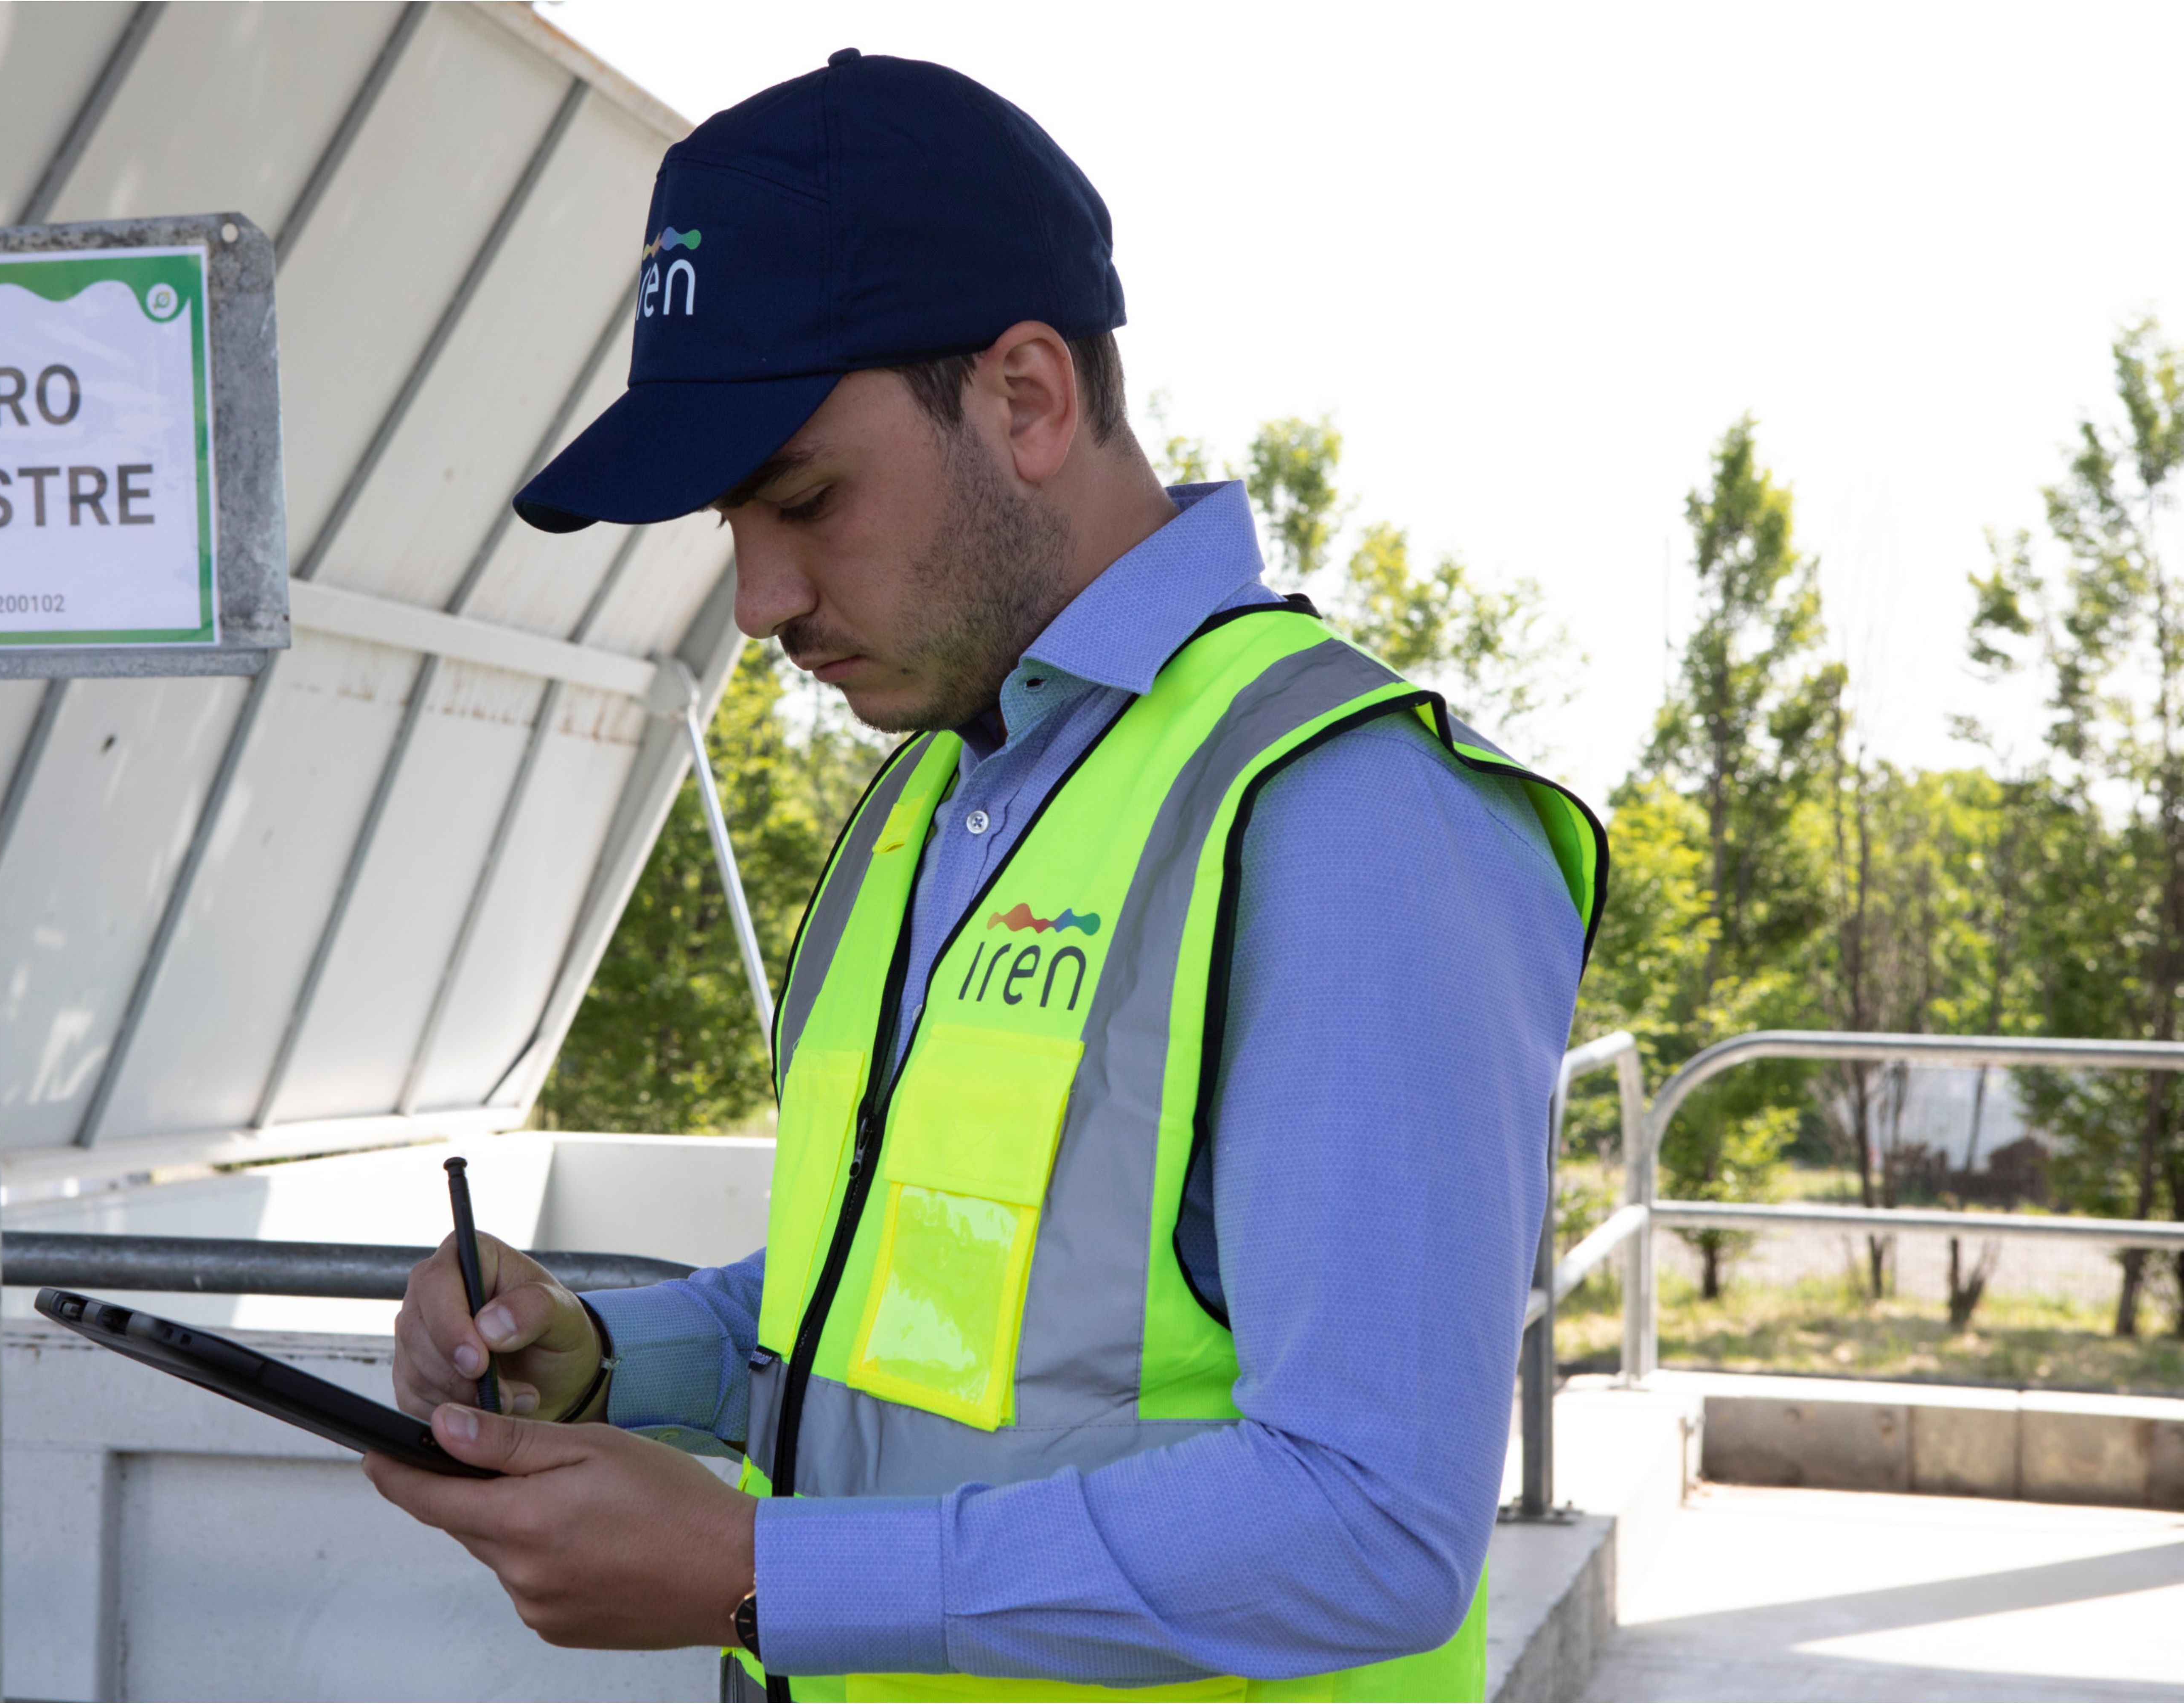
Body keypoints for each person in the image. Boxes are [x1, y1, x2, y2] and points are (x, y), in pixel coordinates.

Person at [367, 50, 1601, 1704]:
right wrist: (602, 1353)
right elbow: (912, 1305)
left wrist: (757, 1569)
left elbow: (1371, 1518)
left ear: (1026, 397)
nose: (756, 597)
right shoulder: (934, 798)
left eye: (805, 496)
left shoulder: (1345, 809)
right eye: (735, 517)